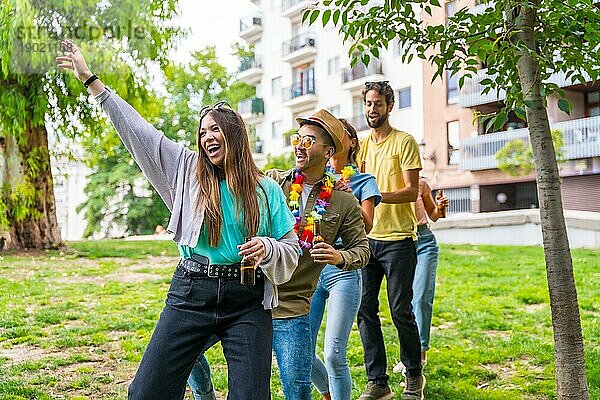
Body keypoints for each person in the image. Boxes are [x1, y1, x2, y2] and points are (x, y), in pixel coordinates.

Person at [57, 39, 300, 400]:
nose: (207, 137)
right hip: (191, 291)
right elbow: (138, 131)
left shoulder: (266, 190)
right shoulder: (185, 170)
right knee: (145, 393)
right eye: (202, 132)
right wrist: (92, 81)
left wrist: (267, 248)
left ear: (233, 135)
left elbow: (291, 248)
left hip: (246, 298)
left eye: (215, 129)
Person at [187, 109, 371, 400]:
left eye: (309, 141)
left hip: (292, 307)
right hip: (248, 299)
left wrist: (339, 257)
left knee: (296, 391)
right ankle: (204, 395)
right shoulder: (272, 183)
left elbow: (363, 249)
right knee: (187, 349)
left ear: (329, 151)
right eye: (297, 138)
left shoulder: (344, 201)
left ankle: (327, 392)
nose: (298, 145)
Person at [356, 81, 425, 400]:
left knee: (400, 310)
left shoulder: (404, 142)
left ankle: (413, 375)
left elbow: (412, 191)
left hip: (399, 240)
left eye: (378, 104)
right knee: (364, 309)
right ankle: (378, 382)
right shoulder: (362, 147)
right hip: (367, 241)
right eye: (369, 104)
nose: (372, 109)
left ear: (390, 106)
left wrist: (376, 197)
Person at [309, 118, 381, 400]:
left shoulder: (364, 181)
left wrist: (349, 196)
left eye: (341, 134)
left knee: (333, 353)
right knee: (300, 347)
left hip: (344, 268)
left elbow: (368, 227)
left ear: (350, 142)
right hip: (313, 268)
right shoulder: (317, 175)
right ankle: (327, 393)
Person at [393, 178, 449, 375]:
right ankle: (409, 354)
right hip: (400, 242)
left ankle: (420, 354)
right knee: (402, 303)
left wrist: (440, 208)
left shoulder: (421, 184)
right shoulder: (385, 180)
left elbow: (433, 215)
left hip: (424, 242)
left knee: (422, 297)